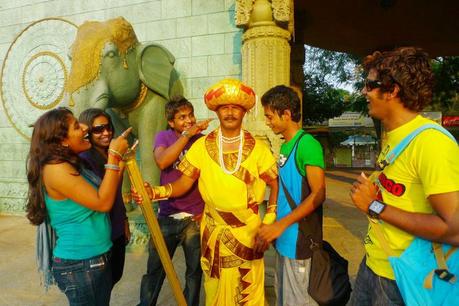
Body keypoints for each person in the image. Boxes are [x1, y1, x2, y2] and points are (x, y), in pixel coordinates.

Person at [133, 79, 279, 305]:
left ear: (244, 112)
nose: (230, 113)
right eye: (224, 108)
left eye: (235, 108)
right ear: (217, 111)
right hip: (213, 230)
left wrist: (269, 219)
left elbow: (274, 183)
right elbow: (184, 183)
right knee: (214, 288)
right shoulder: (201, 146)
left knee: (248, 291)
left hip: (248, 232)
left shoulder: (258, 148)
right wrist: (156, 192)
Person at [349, 47, 459, 305]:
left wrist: (374, 205)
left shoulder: (431, 143)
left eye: (370, 84)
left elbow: (454, 229)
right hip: (375, 264)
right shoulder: (396, 136)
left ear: (393, 90)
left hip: (403, 278)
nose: (364, 91)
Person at [25, 107, 130, 306]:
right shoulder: (56, 170)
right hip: (81, 264)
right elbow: (103, 202)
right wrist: (114, 156)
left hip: (92, 259)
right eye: (76, 126)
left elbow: (105, 193)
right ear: (62, 140)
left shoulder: (68, 164)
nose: (85, 128)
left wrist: (118, 164)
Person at [138, 96, 210, 306]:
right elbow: (162, 161)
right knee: (155, 269)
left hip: (195, 217)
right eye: (182, 117)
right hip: (167, 214)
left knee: (194, 272)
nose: (188, 120)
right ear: (171, 122)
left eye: (190, 115)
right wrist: (186, 136)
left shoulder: (202, 141)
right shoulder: (164, 137)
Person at [259, 85, 326, 306]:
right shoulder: (285, 146)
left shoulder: (307, 145)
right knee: (283, 298)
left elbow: (318, 194)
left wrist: (280, 225)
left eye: (270, 117)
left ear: (286, 114)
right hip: (284, 239)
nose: (268, 122)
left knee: (297, 301)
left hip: (299, 240)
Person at [78, 108, 131, 288]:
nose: (106, 133)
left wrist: (124, 219)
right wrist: (118, 161)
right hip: (100, 231)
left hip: (116, 225)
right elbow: (103, 196)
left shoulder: (109, 153)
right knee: (101, 285)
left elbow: (115, 194)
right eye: (98, 130)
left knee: (114, 277)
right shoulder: (84, 159)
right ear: (87, 132)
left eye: (108, 127)